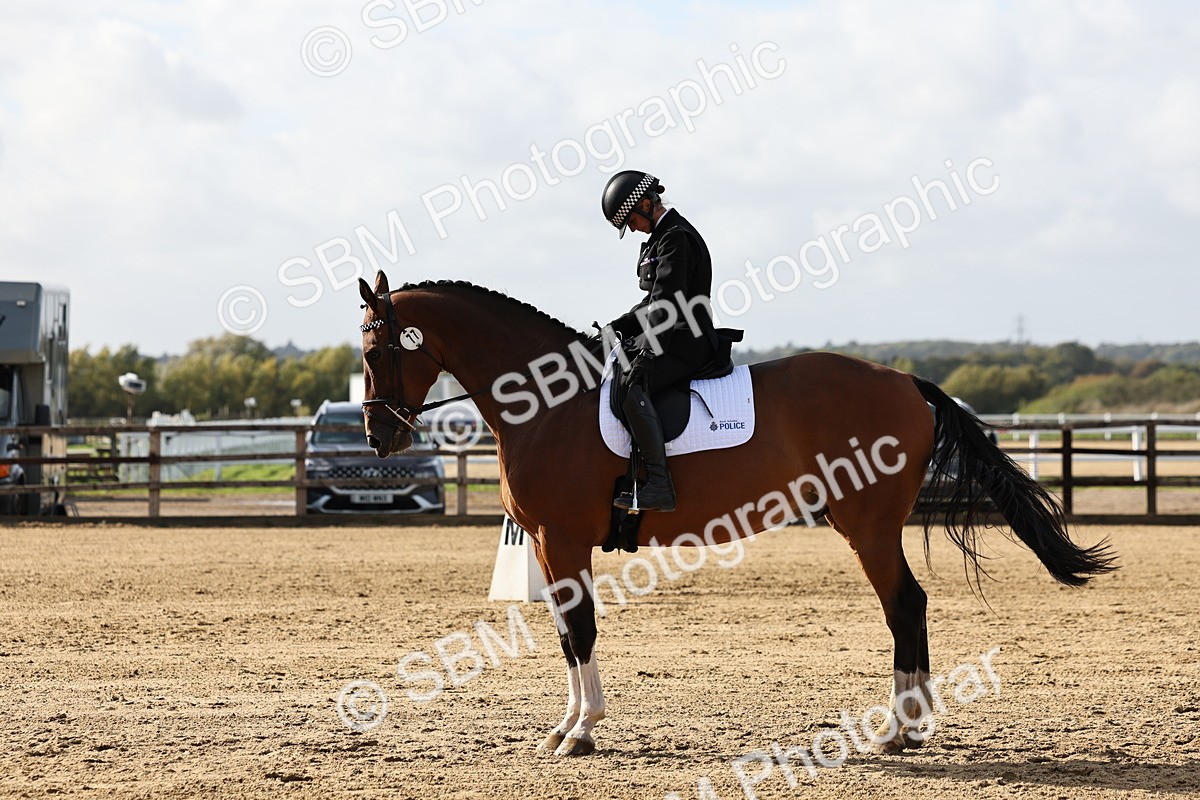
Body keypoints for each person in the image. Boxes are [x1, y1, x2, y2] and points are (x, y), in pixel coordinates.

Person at [601, 170, 719, 512]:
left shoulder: (676, 237)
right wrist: (616, 328)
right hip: (669, 334)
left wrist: (647, 357)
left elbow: (667, 305)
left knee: (631, 385)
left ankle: (658, 485)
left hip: (687, 339)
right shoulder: (661, 238)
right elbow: (651, 303)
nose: (634, 228)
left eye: (632, 221)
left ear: (645, 203)